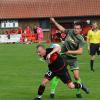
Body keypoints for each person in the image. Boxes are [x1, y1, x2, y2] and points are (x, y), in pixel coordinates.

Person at [48, 17, 89, 98]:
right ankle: (52, 92)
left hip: (73, 59)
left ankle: (78, 92)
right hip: (63, 57)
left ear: (80, 30)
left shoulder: (81, 39)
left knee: (76, 76)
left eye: (77, 28)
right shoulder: (70, 31)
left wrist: (70, 51)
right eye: (75, 28)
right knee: (57, 74)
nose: (75, 30)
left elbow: (80, 52)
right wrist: (54, 21)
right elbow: (62, 29)